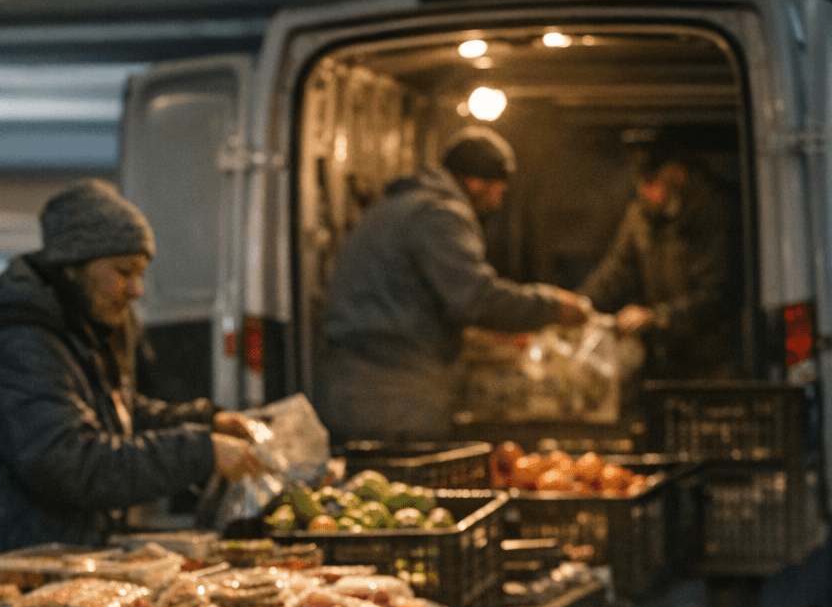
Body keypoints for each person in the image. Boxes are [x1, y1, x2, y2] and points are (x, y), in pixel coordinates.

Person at [0, 179, 262, 607]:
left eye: (141, 273)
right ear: (73, 265)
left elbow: (114, 414)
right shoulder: (19, 341)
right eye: (124, 272)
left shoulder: (76, 328)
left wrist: (205, 420)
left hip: (28, 557)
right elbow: (69, 461)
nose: (137, 290)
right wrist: (200, 451)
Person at [318, 126, 590, 440]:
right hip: (390, 395)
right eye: (499, 190)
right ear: (475, 183)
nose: (498, 203)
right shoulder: (439, 214)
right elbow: (475, 298)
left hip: (357, 384)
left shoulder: (400, 205)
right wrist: (553, 306)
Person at [579, 133, 742, 379]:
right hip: (667, 359)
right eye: (640, 182)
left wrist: (657, 317)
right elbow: (615, 271)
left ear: (677, 174)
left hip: (713, 361)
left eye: (652, 181)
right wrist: (577, 304)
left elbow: (716, 294)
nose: (644, 191)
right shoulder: (639, 217)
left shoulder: (712, 213)